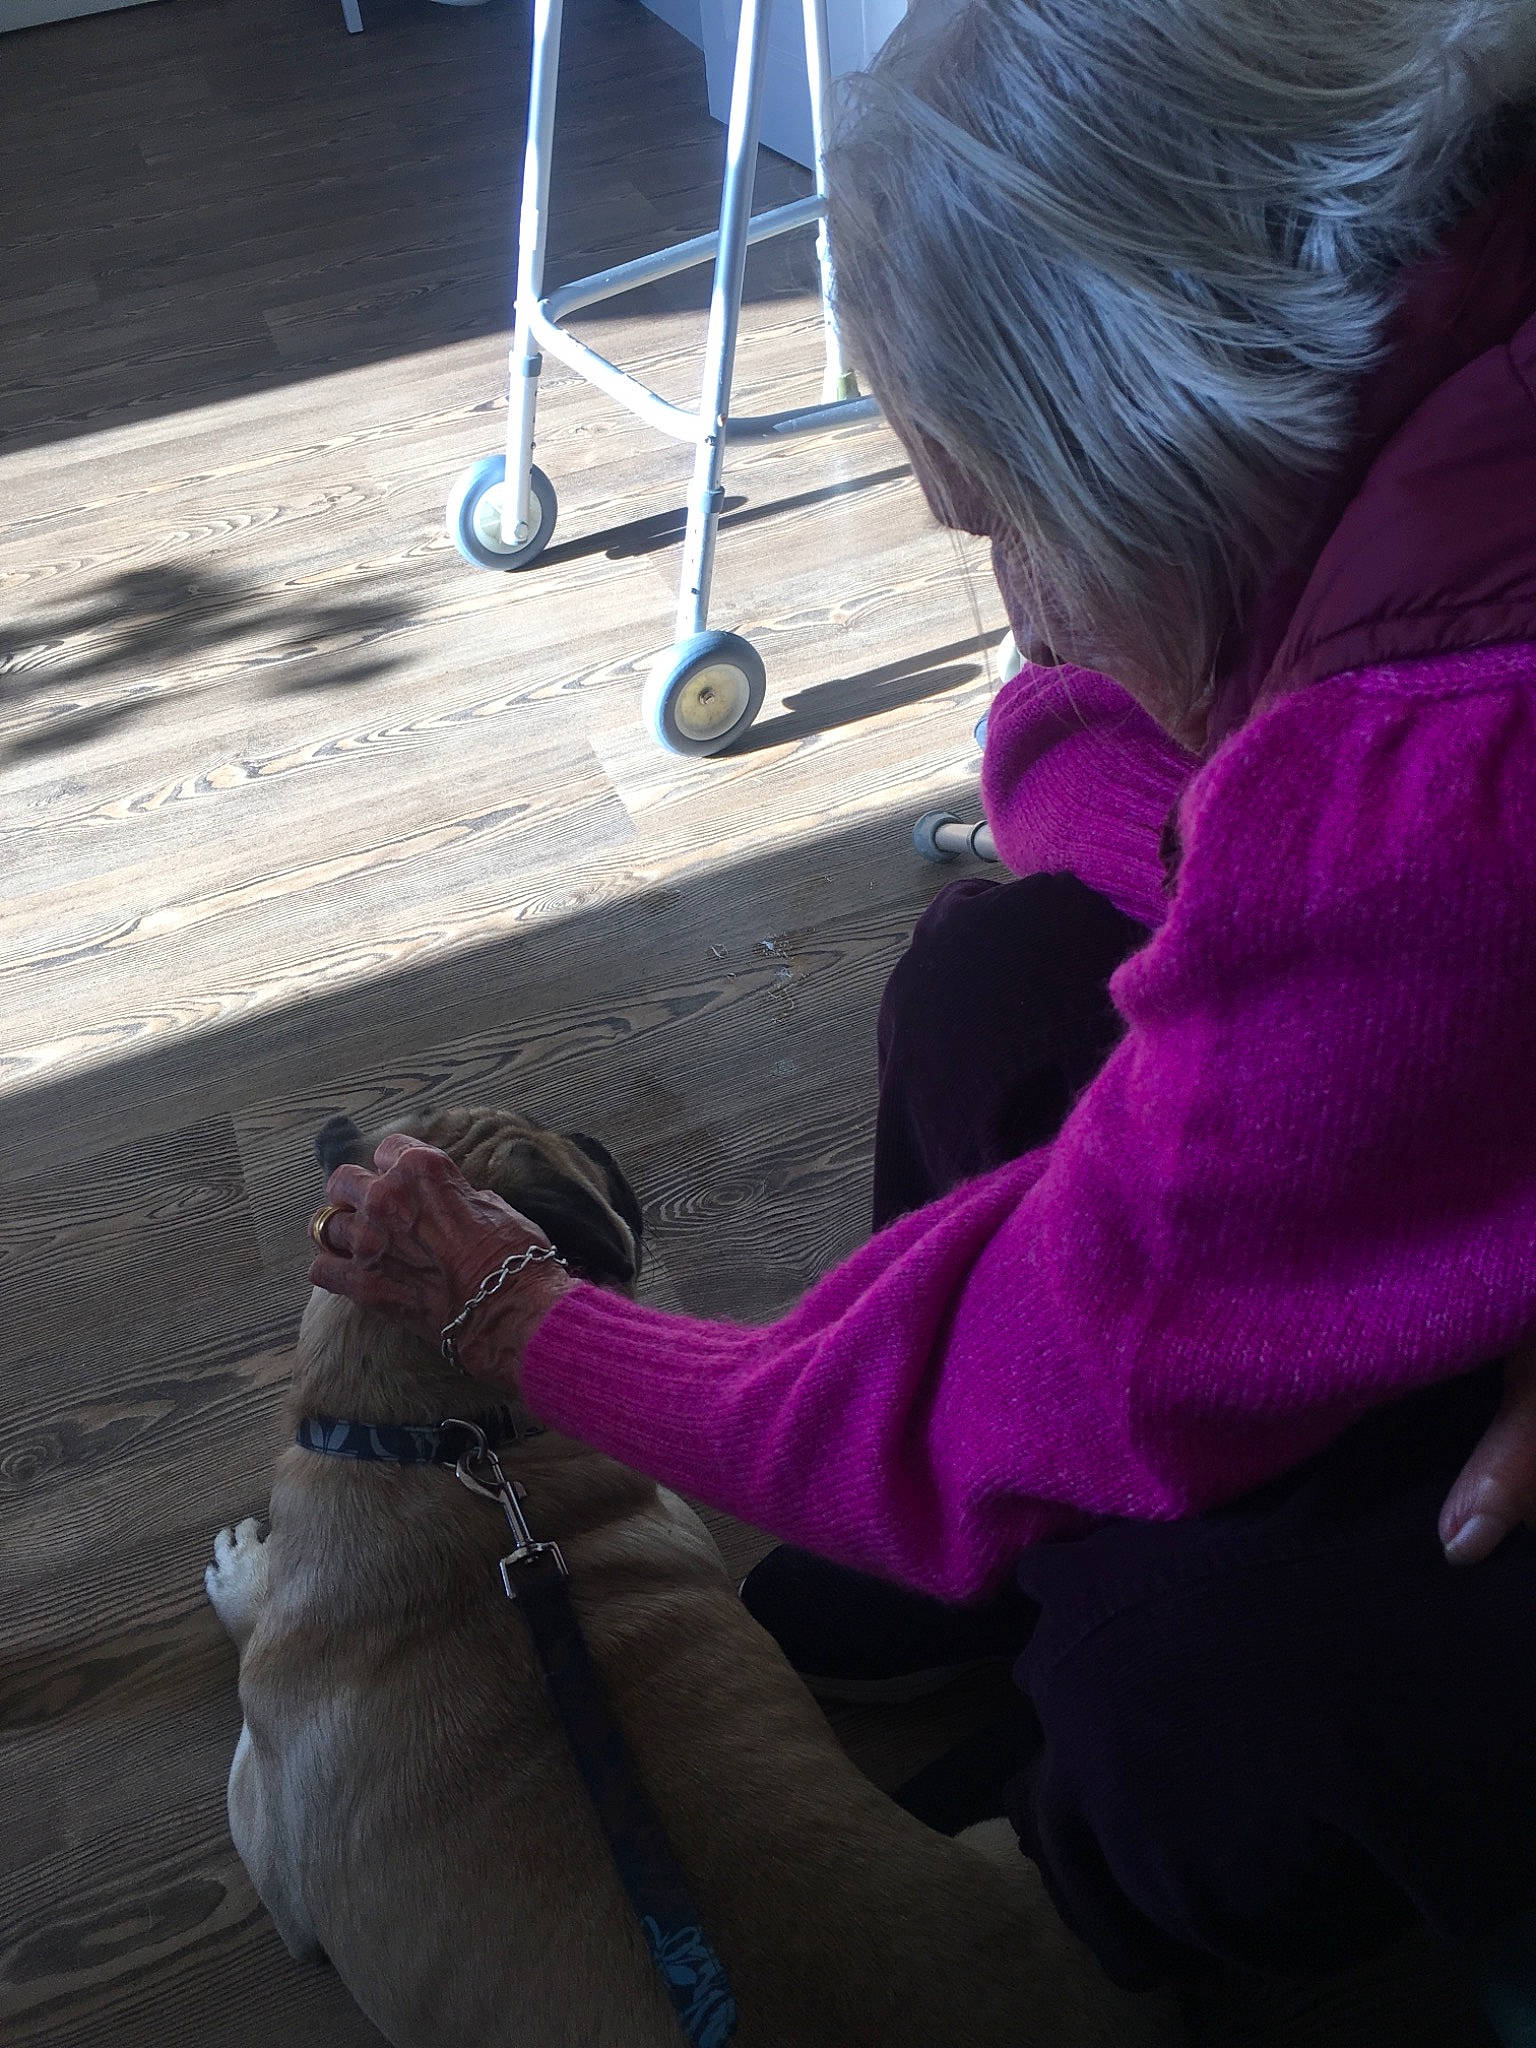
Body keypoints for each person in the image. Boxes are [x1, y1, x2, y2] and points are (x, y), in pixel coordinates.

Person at [309, 0, 1536, 1993]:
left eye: (1010, 526)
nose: (1024, 616)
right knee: (996, 980)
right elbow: (1105, 732)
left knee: (1235, 1642)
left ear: (1150, 436)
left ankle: (1123, 1877)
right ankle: (1012, 1603)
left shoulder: (1410, 814)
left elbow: (1047, 1363)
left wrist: (522, 1317)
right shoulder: (1459, 320)